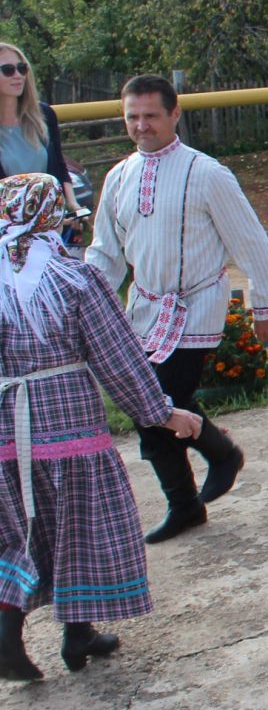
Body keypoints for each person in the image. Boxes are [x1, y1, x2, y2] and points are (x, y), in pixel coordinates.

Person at [0, 175, 202, 682]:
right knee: (81, 527)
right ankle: (68, 633)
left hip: (6, 432)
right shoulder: (75, 280)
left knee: (21, 530)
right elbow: (119, 359)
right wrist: (163, 412)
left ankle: (26, 629)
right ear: (52, 217)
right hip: (70, 431)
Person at [86, 75, 268, 545]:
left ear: (174, 114)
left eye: (151, 116)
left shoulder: (207, 174)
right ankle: (204, 478)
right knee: (149, 407)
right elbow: (105, 254)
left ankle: (199, 485)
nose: (141, 126)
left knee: (160, 406)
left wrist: (265, 306)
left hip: (196, 305)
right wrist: (83, 304)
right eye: (132, 117)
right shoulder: (118, 177)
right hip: (144, 311)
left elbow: (250, 241)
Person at [0, 43, 75, 217]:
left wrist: (72, 204)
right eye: (8, 70)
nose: (18, 75)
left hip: (49, 222)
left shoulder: (44, 114)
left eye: (22, 68)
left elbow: (60, 166)